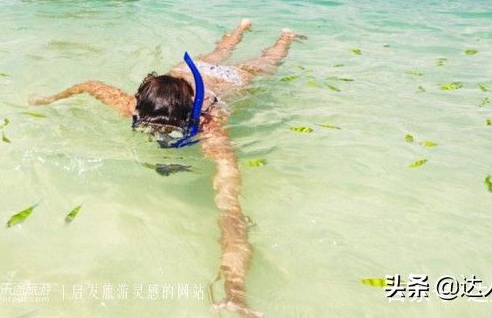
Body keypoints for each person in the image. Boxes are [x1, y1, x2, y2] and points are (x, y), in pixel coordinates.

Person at [29, 19, 301, 317]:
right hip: (186, 74)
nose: (157, 134)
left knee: (265, 61)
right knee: (221, 49)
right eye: (147, 125)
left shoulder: (211, 132)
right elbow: (89, 85)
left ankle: (285, 37)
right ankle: (240, 29)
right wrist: (48, 99)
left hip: (230, 79)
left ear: (192, 119)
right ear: (136, 108)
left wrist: (235, 290)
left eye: (166, 129)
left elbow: (231, 212)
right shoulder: (130, 105)